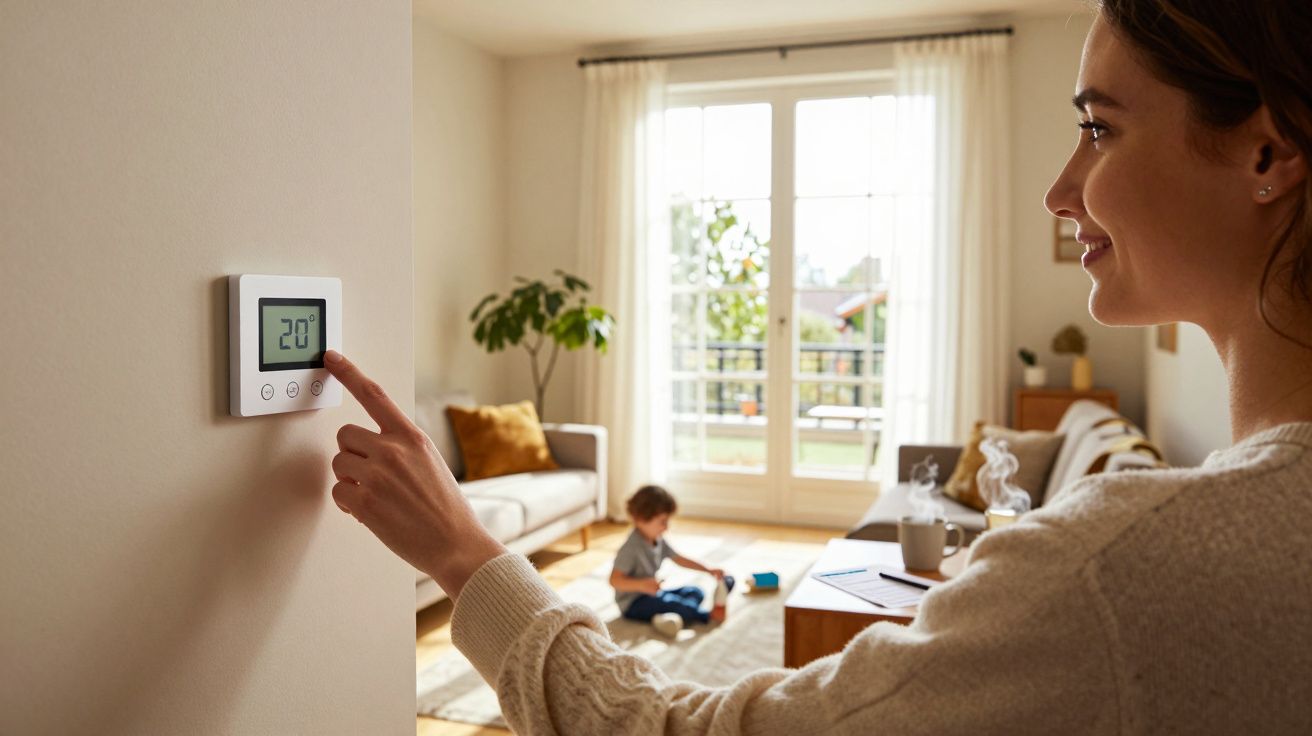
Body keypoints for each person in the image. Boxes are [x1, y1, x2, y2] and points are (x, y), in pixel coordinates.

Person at [325, 1, 1312, 732]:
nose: (1060, 188)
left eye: (1098, 127)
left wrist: (464, 550)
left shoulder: (1120, 565)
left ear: (1267, 151)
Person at [610, 485, 734, 635]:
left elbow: (679, 559)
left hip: (653, 594)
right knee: (679, 606)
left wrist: (708, 570)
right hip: (633, 604)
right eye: (662, 521)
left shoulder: (657, 539)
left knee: (695, 592)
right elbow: (614, 580)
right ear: (642, 519)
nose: (666, 527)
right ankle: (708, 615)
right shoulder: (631, 549)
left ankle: (664, 618)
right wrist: (641, 585)